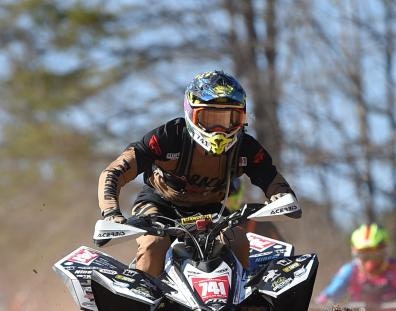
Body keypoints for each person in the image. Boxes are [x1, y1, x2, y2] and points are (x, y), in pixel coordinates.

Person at [96, 69, 300, 277]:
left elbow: (271, 178)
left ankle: (246, 308)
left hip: (212, 211)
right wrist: (111, 213)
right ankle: (139, 305)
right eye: (210, 118)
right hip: (158, 206)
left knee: (238, 241)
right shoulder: (166, 137)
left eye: (230, 118)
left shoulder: (246, 148)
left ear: (242, 117)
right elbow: (114, 171)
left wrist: (282, 197)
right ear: (191, 113)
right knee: (154, 245)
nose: (220, 128)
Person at [316, 224, 396, 311]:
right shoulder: (350, 271)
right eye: (365, 256)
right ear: (356, 255)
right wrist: (320, 305)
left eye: (376, 255)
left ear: (385, 252)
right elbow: (329, 295)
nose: (371, 262)